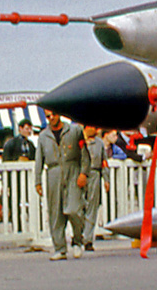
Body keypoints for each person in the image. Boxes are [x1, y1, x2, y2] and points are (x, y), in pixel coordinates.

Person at [34, 111, 88, 260]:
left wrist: (83, 172)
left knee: (74, 209)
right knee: (55, 212)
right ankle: (59, 247)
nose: (51, 118)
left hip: (72, 170)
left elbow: (84, 153)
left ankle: (77, 241)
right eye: (48, 116)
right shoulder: (43, 136)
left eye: (54, 115)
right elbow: (39, 159)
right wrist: (37, 180)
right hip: (53, 172)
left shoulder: (74, 131)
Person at [79, 125, 109, 252]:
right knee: (79, 206)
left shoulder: (99, 143)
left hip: (95, 174)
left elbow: (104, 161)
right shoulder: (79, 141)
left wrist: (106, 178)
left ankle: (88, 239)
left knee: (92, 207)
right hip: (80, 175)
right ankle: (78, 235)